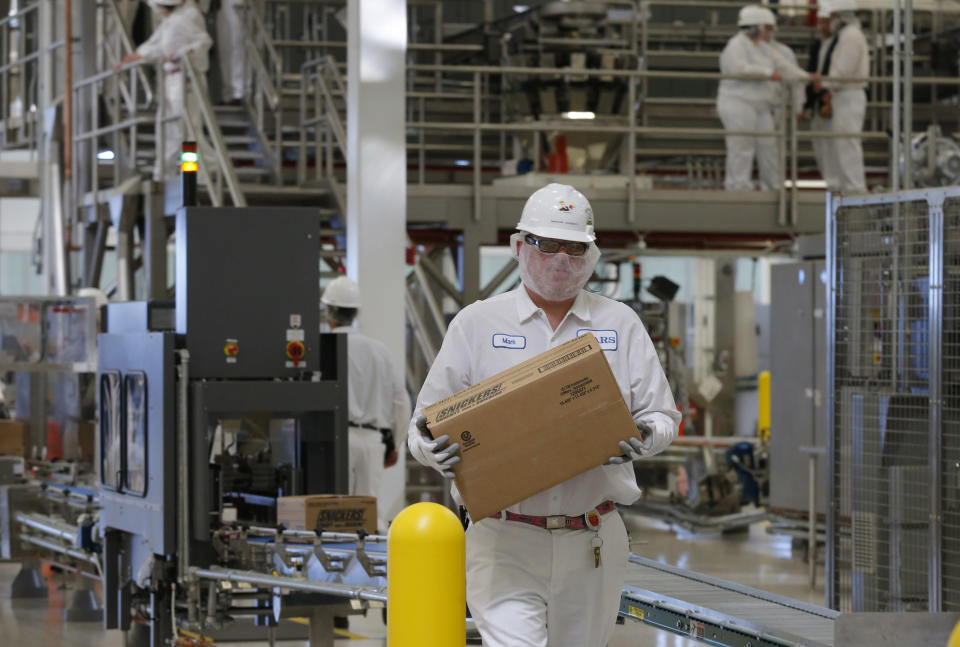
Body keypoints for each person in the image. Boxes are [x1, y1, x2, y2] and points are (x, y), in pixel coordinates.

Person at [407, 183, 680, 647]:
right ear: (518, 246)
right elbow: (422, 425)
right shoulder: (477, 324)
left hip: (592, 538)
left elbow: (661, 414)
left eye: (574, 249)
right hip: (504, 537)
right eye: (547, 244)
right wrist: (432, 451)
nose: (560, 260)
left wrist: (646, 434)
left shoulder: (619, 323)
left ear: (591, 254)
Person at [322, 276, 411, 533]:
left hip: (337, 440)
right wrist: (395, 442)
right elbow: (401, 401)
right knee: (369, 514)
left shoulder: (324, 349)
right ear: (357, 311)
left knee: (334, 515)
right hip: (373, 442)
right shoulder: (379, 350)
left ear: (328, 311)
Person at [717, 5, 813, 191]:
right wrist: (768, 73)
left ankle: (773, 186)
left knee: (768, 146)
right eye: (767, 28)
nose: (770, 33)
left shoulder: (763, 48)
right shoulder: (735, 45)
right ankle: (738, 186)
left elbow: (784, 66)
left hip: (760, 105)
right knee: (742, 146)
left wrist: (807, 77)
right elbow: (739, 69)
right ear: (755, 27)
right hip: (738, 103)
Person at [116, 0, 213, 179]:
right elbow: (156, 46)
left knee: (187, 129)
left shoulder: (182, 20)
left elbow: (203, 41)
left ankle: (196, 172)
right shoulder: (170, 22)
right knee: (169, 128)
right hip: (171, 80)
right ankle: (164, 171)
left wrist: (182, 54)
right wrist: (135, 57)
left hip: (186, 80)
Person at [813, 0, 869, 193]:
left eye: (829, 17)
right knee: (837, 144)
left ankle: (855, 189)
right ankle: (842, 188)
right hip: (840, 94)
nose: (827, 22)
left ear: (839, 16)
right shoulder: (844, 36)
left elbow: (844, 70)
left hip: (849, 95)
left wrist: (825, 84)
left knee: (846, 143)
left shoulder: (851, 36)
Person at [216, 0, 251, 105]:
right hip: (223, 6)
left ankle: (241, 93)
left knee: (239, 50)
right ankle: (228, 93)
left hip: (240, 6)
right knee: (225, 51)